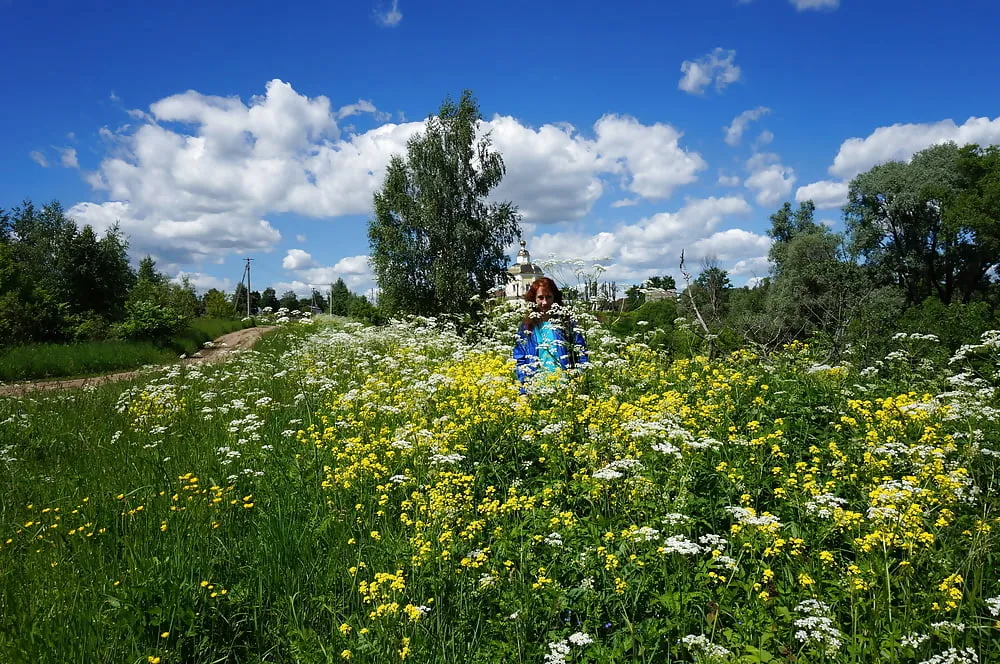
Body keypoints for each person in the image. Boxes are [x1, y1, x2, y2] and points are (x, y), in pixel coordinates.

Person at [513, 277, 588, 386]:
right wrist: (524, 389)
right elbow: (520, 360)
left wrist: (579, 379)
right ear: (534, 299)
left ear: (555, 298)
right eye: (540, 297)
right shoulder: (526, 328)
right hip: (535, 388)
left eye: (548, 297)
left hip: (566, 387)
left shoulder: (567, 325)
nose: (545, 302)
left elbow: (582, 353)